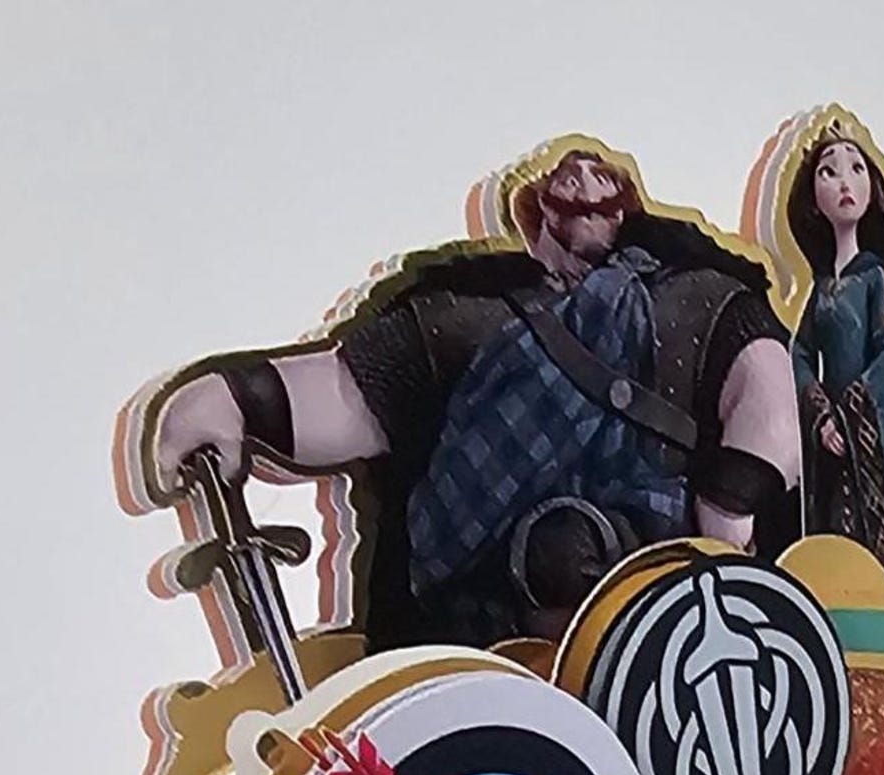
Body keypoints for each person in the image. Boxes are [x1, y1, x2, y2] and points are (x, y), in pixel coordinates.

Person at [148, 149, 801, 651]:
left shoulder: (700, 300)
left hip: (674, 634)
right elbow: (345, 395)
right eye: (567, 181)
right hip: (489, 656)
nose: (582, 180)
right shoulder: (466, 319)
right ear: (537, 217)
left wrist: (727, 521)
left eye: (597, 178)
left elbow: (768, 403)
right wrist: (236, 399)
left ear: (626, 206)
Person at [784, 122, 884, 591]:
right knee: (835, 531)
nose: (845, 181)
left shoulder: (874, 280)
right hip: (832, 445)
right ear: (813, 200)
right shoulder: (821, 291)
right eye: (829, 172)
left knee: (878, 547)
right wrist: (822, 417)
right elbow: (800, 353)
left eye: (856, 169)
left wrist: (850, 416)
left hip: (869, 439)